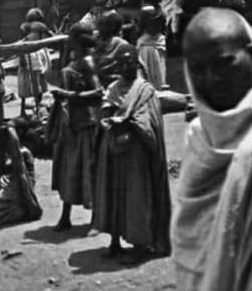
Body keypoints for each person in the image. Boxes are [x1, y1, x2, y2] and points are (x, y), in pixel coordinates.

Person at [172, 8, 252, 291]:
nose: (211, 79)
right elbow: (195, 264)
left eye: (224, 63)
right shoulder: (200, 141)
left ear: (251, 51)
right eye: (197, 70)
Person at [92, 43, 171, 261]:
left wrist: (131, 123)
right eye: (122, 63)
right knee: (114, 194)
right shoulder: (114, 88)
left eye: (130, 63)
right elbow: (104, 112)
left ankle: (140, 246)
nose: (126, 67)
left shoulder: (145, 90)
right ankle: (115, 241)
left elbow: (151, 122)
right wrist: (109, 121)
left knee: (136, 197)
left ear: (136, 64)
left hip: (137, 152)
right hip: (115, 149)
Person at [49, 24, 102, 230]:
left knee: (87, 169)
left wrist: (68, 96)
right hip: (71, 122)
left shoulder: (87, 62)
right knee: (69, 170)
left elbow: (98, 92)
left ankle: (96, 216)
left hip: (85, 123)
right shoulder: (73, 61)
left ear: (76, 40)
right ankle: (65, 216)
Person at [17, 17, 51, 119]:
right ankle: (25, 110)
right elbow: (23, 59)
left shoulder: (39, 44)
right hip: (28, 71)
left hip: (37, 70)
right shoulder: (26, 43)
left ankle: (37, 109)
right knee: (26, 91)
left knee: (38, 91)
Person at [137, 0, 168, 89]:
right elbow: (164, 27)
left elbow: (140, 28)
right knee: (160, 68)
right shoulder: (161, 11)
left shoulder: (145, 10)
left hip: (146, 41)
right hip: (159, 41)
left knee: (147, 69)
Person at [94, 11, 130, 86]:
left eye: (102, 24)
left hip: (113, 83)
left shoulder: (121, 44)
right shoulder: (97, 40)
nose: (97, 26)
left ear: (111, 26)